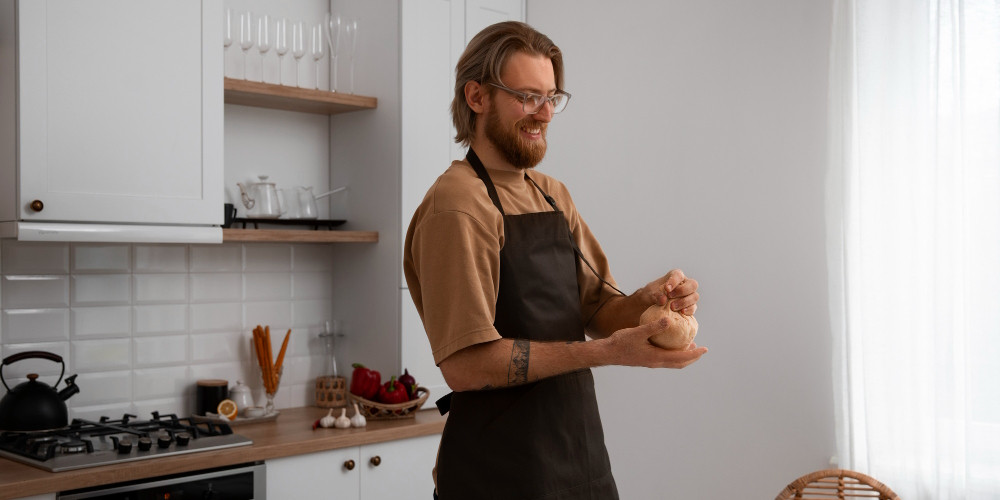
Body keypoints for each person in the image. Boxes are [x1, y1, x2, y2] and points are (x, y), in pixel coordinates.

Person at [403, 21, 708, 500]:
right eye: (527, 97)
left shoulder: (550, 194)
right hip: (497, 474)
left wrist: (651, 302)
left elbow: (597, 311)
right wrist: (608, 353)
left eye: (552, 97)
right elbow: (465, 366)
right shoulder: (457, 206)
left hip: (578, 459)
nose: (544, 113)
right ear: (477, 97)